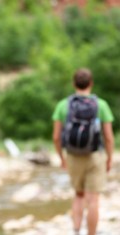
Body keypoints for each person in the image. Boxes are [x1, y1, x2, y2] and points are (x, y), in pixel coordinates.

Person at [52, 68, 114, 235]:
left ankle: (76, 231)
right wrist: (109, 159)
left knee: (78, 195)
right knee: (93, 199)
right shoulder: (101, 105)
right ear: (91, 83)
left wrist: (62, 158)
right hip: (95, 156)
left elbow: (56, 137)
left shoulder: (63, 105)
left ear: (74, 84)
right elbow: (108, 137)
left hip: (72, 156)